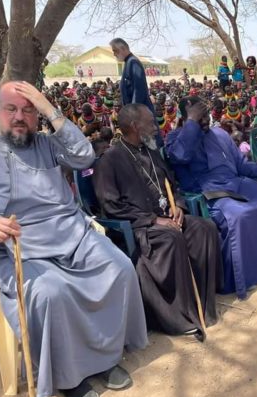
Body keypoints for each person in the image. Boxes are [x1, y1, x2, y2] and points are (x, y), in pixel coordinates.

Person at [0, 81, 147, 397]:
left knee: (120, 268)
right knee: (51, 293)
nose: (20, 117)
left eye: (29, 110)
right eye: (11, 109)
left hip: (73, 235)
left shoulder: (49, 144)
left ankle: (105, 358)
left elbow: (85, 156)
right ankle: (69, 377)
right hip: (20, 248)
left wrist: (49, 107)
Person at [93, 104, 221, 338]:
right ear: (135, 126)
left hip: (167, 216)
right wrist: (153, 220)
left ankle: (202, 304)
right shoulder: (109, 160)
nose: (156, 127)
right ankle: (178, 316)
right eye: (151, 123)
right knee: (171, 237)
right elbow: (111, 206)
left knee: (205, 228)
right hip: (141, 226)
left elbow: (172, 185)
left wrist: (178, 206)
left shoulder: (151, 153)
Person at [166, 96, 257, 299]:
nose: (205, 119)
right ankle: (242, 277)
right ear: (186, 118)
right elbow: (180, 156)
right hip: (209, 192)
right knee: (240, 215)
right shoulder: (176, 138)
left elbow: (242, 166)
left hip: (236, 182)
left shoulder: (220, 133)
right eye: (198, 117)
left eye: (205, 114)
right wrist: (192, 123)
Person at [110, 38, 154, 113]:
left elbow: (139, 90)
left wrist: (133, 112)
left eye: (115, 51)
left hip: (139, 113)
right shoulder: (128, 62)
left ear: (123, 48)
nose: (114, 54)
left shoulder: (133, 62)